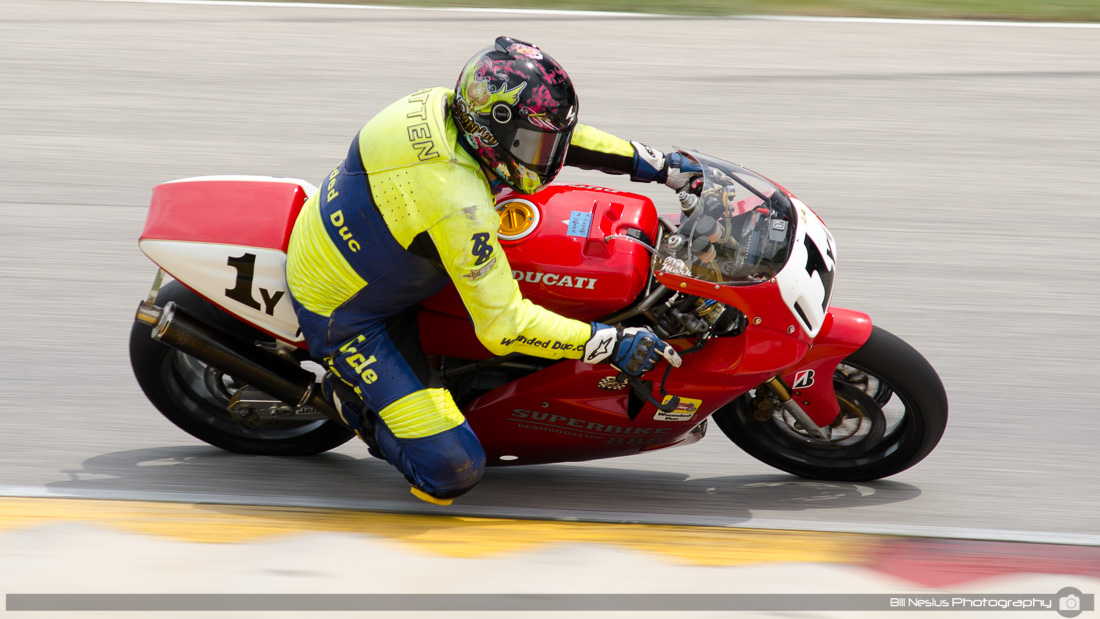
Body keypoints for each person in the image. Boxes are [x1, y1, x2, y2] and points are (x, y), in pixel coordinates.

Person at [285, 36, 689, 505]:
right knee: (452, 471)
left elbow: (555, 134)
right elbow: (503, 326)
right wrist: (609, 342)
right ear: (491, 129)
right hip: (350, 314)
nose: (548, 157)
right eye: (534, 144)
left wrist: (658, 165)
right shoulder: (458, 204)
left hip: (373, 241)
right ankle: (351, 403)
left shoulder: (441, 104)